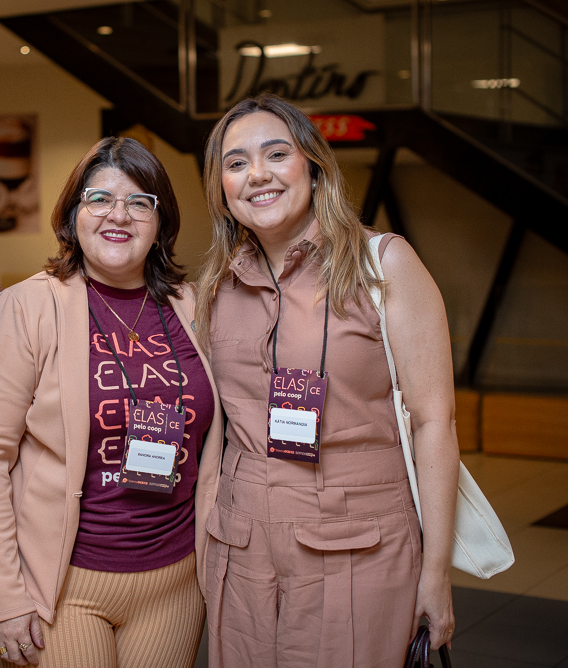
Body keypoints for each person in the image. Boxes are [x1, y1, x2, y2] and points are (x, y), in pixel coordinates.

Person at [195, 93, 459, 667]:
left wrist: (436, 572)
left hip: (358, 548)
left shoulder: (383, 264)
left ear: (313, 167)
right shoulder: (216, 286)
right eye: (236, 163)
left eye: (276, 154)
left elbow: (434, 422)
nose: (257, 174)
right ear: (220, 187)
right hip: (241, 550)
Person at [0, 137, 224, 668]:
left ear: (161, 221)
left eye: (139, 202)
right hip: (62, 587)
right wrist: (3, 597)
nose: (118, 215)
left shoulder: (195, 306)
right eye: (99, 199)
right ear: (72, 214)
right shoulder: (26, 308)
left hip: (176, 582)